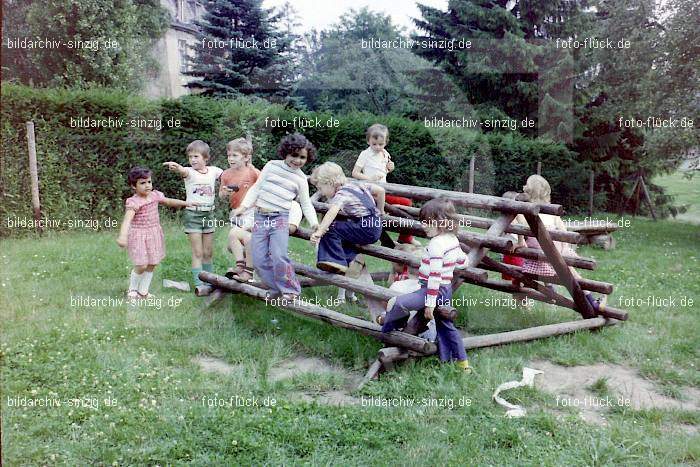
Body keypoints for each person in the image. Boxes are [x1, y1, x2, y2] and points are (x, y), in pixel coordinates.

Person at [379, 198, 471, 372]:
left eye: (428, 223)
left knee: (399, 303)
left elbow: (434, 276)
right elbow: (462, 260)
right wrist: (458, 264)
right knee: (447, 328)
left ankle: (387, 332)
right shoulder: (452, 239)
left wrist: (429, 303)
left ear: (442, 222)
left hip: (431, 289)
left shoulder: (436, 245)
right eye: (423, 222)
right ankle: (461, 364)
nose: (424, 226)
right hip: (445, 291)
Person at [232, 133, 319, 301]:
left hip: (280, 219)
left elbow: (306, 203)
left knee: (279, 256)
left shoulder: (301, 178)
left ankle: (290, 290)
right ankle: (276, 287)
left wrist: (315, 223)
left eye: (302, 157)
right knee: (258, 259)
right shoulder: (271, 166)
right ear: (286, 152)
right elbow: (256, 188)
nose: (298, 160)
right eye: (294, 155)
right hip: (260, 217)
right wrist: (243, 206)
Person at [514, 175, 604, 312]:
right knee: (574, 275)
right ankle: (593, 302)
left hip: (539, 255)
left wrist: (520, 243)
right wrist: (565, 248)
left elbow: (520, 230)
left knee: (526, 272)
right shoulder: (551, 212)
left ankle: (545, 293)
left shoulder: (522, 210)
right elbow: (563, 231)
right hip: (556, 253)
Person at [116, 166, 196, 299]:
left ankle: (143, 292)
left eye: (149, 182)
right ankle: (132, 290)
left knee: (152, 262)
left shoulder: (155, 195)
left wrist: (186, 203)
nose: (147, 185)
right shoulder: (134, 202)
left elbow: (169, 201)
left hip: (153, 233)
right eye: (142, 183)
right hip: (138, 235)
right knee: (141, 264)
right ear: (133, 186)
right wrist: (122, 236)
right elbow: (127, 220)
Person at [163, 140, 223, 295]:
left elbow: (228, 176)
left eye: (196, 156)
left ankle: (209, 281)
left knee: (208, 252)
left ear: (206, 158)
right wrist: (177, 167)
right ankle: (199, 284)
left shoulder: (214, 171)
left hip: (208, 214)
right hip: (193, 215)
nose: (193, 160)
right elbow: (183, 171)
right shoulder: (189, 172)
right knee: (198, 252)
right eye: (190, 157)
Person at [309, 162, 385, 274]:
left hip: (365, 227)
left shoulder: (341, 194)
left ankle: (336, 262)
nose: (321, 192)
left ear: (330, 183)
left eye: (320, 188)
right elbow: (380, 191)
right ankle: (352, 260)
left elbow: (332, 212)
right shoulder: (357, 185)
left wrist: (320, 231)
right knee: (343, 232)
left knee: (331, 228)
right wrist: (380, 211)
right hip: (374, 226)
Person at [352, 123, 419, 246]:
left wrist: (390, 168)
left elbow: (384, 172)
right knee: (405, 204)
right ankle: (401, 237)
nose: (377, 147)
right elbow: (355, 173)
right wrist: (369, 178)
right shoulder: (365, 154)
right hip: (371, 191)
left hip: (384, 189)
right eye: (374, 144)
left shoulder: (385, 154)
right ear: (368, 141)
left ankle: (404, 236)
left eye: (381, 144)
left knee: (406, 204)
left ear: (386, 142)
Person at [219, 137, 260, 281]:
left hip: (251, 211)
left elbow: (263, 189)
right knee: (236, 239)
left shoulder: (253, 172)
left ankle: (247, 271)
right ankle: (242, 267)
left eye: (235, 155)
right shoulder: (226, 174)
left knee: (244, 237)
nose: (231, 158)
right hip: (236, 212)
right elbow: (221, 196)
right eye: (229, 155)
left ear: (246, 157)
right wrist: (225, 193)